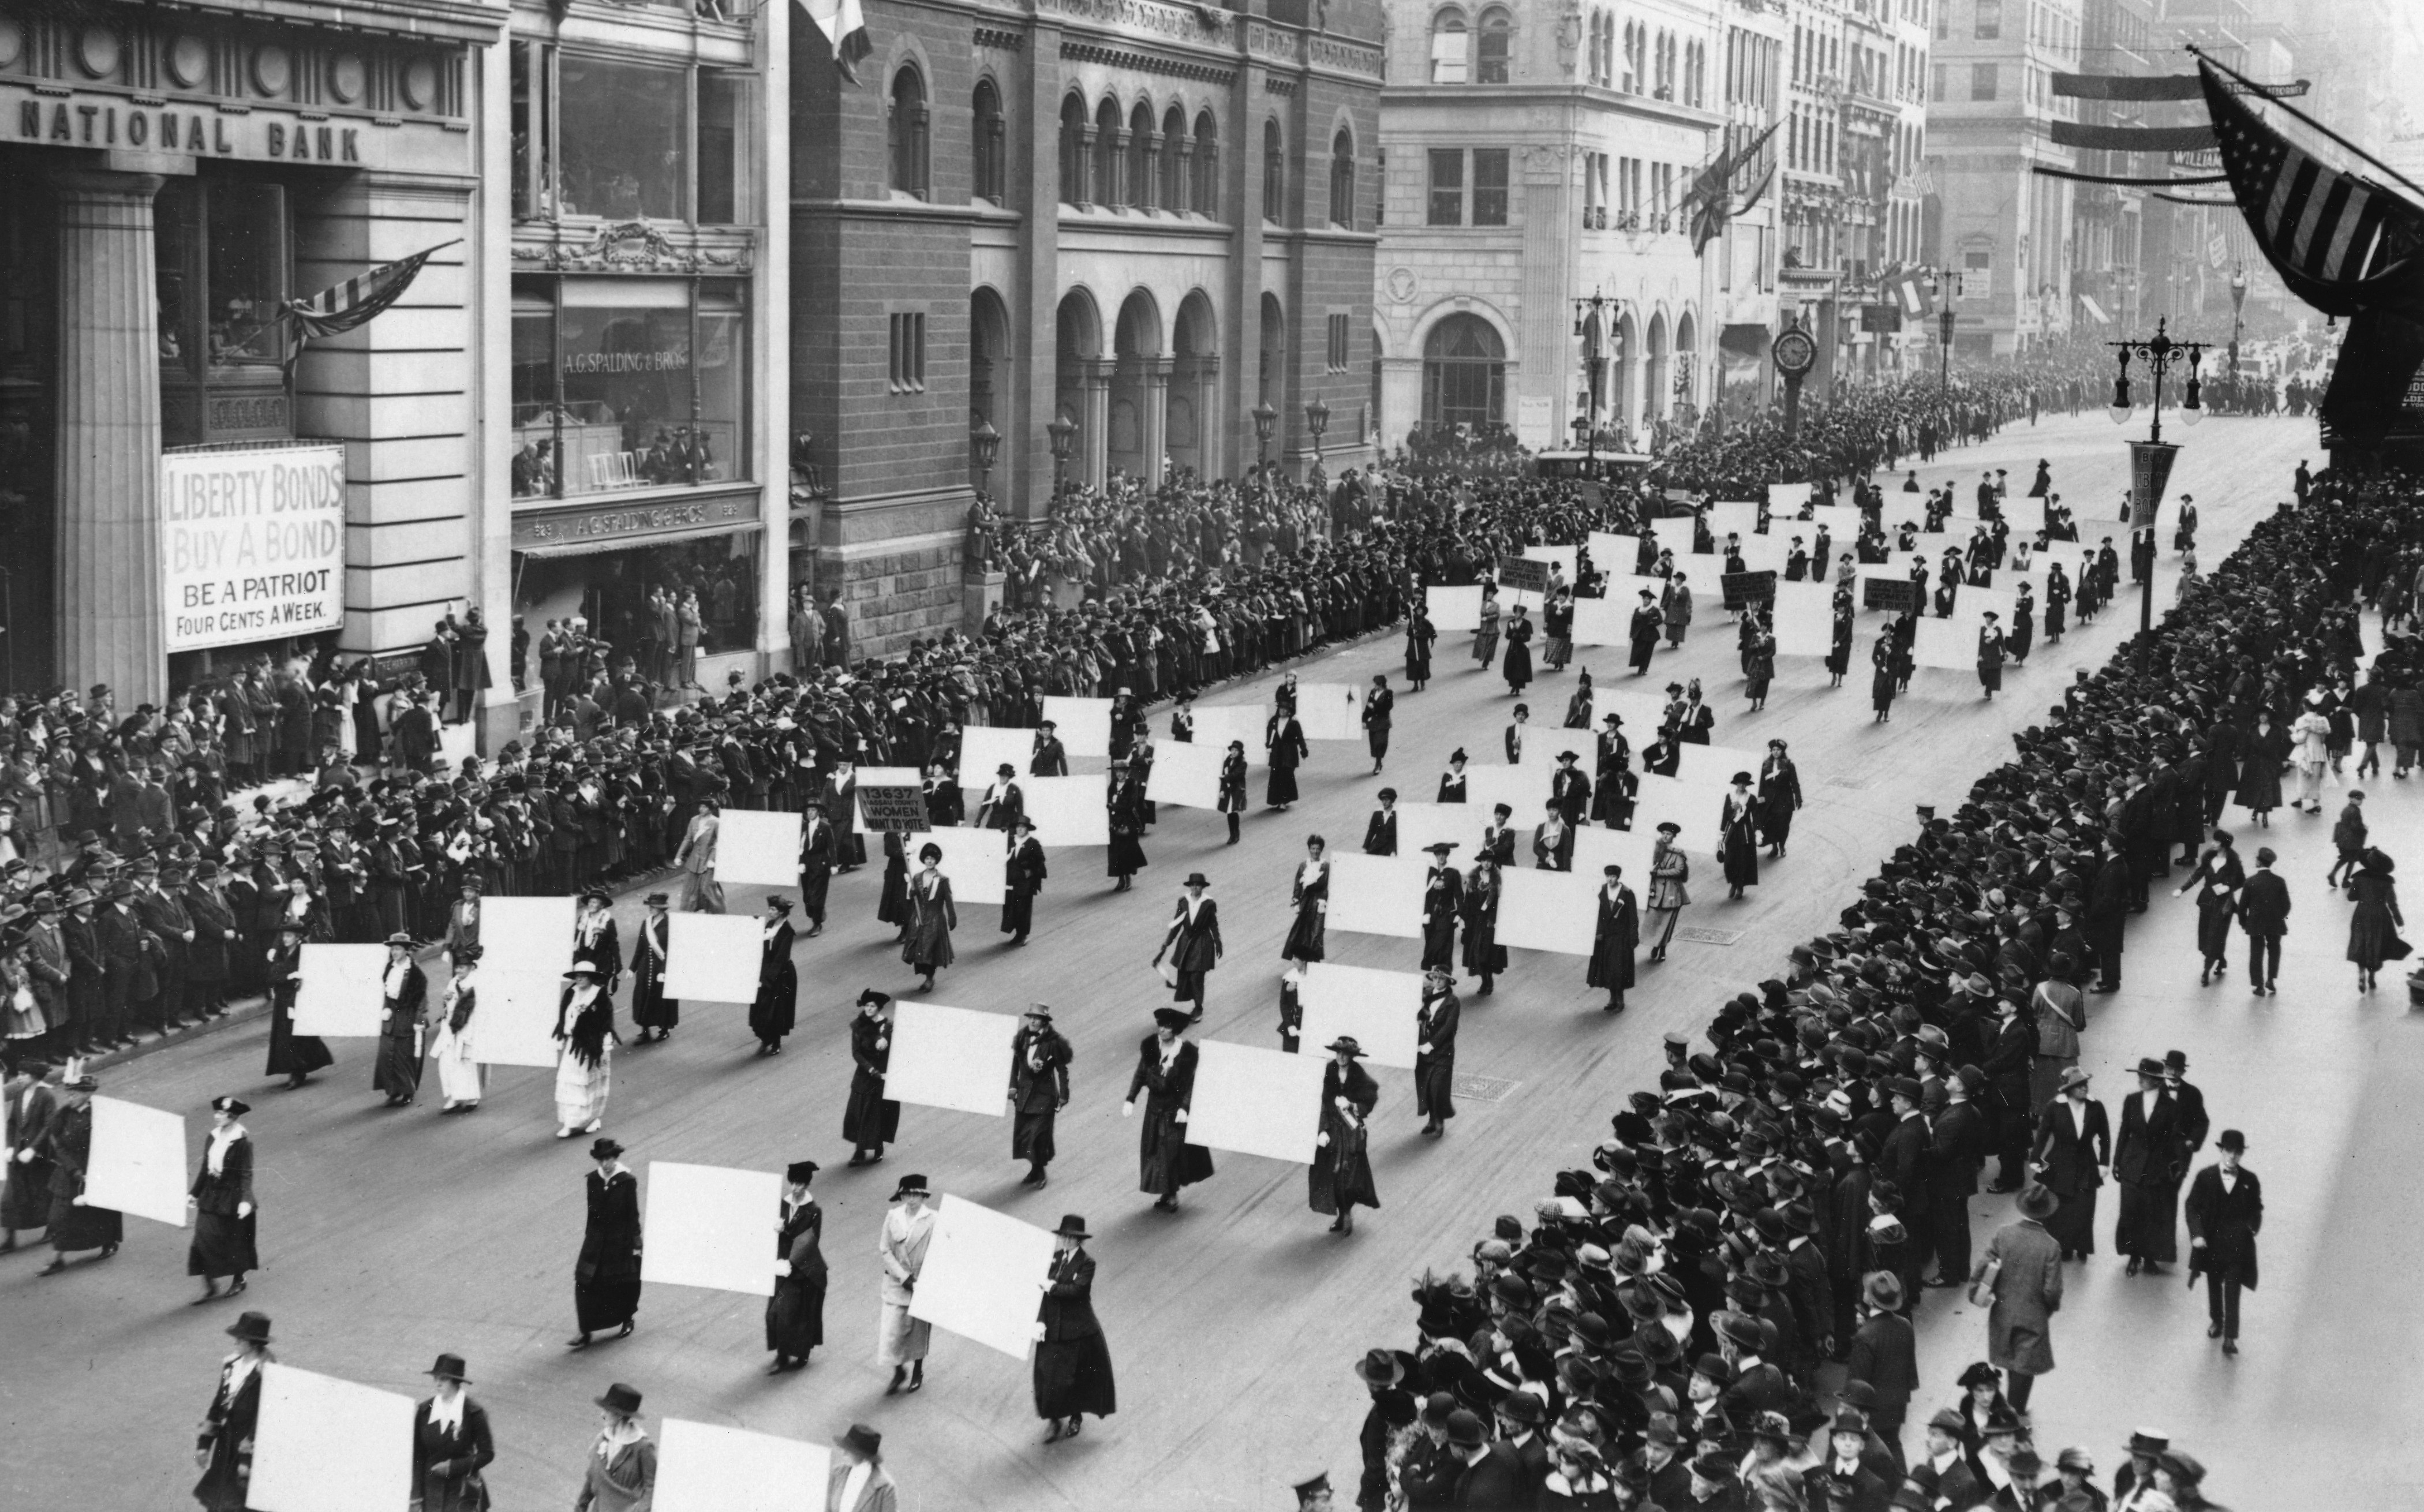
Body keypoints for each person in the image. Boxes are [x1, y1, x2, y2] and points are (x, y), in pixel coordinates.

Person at [1971, 1183, 2063, 1415]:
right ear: (2047, 1213)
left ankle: (2009, 1411)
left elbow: (1982, 1268)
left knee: (2011, 1362)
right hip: (2033, 1316)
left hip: (2003, 1311)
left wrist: (1977, 1293)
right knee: (2025, 1366)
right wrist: (2049, 1308)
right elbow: (2052, 1291)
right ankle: (2012, 1416)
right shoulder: (2051, 1246)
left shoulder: (2003, 1234)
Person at [1035, 1212, 1117, 1442]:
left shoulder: (1087, 1263)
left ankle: (1075, 1417)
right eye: (1064, 1236)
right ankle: (1053, 1420)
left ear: (1079, 1240)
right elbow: (1042, 1295)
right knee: (1049, 1376)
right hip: (1052, 1327)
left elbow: (1077, 1290)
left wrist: (1052, 1288)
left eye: (1072, 1237)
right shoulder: (1053, 1258)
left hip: (1076, 1328)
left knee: (1074, 1377)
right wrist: (1040, 1321)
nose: (1067, 1240)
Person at [1124, 1006, 1214, 1212]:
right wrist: (1130, 1099)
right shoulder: (1150, 1047)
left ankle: (1171, 1193)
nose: (1162, 1030)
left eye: (1166, 1027)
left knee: (1171, 1152)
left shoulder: (1187, 1053)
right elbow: (1140, 1074)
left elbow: (1192, 1082)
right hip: (1154, 1109)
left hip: (1174, 1110)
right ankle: (1167, 1190)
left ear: (1175, 1031)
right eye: (1161, 1026)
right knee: (1155, 1151)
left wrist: (1185, 1108)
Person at [2186, 1129, 2262, 1357]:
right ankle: (2217, 1320)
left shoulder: (2250, 1181)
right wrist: (2197, 1234)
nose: (2233, 1156)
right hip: (2211, 1244)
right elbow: (2192, 1207)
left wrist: (2252, 1227)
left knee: (2233, 1290)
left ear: (2242, 1155)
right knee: (2214, 1285)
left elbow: (2257, 1209)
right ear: (2221, 1150)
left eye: (2238, 1153)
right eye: (2229, 1151)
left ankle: (2230, 1337)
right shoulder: (2205, 1177)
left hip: (2238, 1246)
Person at [2113, 1057, 2189, 1277]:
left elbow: (2175, 1140)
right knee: (2130, 1213)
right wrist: (2117, 1161)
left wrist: (2177, 1166)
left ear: (2157, 1081)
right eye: (2140, 1076)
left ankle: (2149, 1258)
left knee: (2152, 1214)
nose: (2141, 1080)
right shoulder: (2132, 1100)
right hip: (2131, 1166)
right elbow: (2124, 1131)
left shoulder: (2170, 1106)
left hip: (2156, 1168)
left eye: (2146, 1077)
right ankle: (2133, 1256)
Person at [37, 1065, 116, 1273]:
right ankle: (57, 1258)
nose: (69, 1096)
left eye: (74, 1093)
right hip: (70, 1170)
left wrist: (98, 1170)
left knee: (101, 1212)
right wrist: (74, 1170)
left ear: (87, 1094)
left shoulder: (101, 1114)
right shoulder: (64, 1114)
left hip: (95, 1169)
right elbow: (57, 1144)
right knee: (59, 1215)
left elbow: (112, 1143)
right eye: (68, 1093)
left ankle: (109, 1242)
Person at [193, 1309, 273, 1512]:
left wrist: (246, 1459)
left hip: (247, 1449)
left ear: (253, 1343)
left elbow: (264, 1418)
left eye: (240, 1338)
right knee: (220, 1500)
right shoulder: (231, 1365)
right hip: (225, 1445)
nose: (235, 1342)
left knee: (242, 1503)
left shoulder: (266, 1374)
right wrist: (204, 1444)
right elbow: (218, 1405)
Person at [569, 1137, 642, 1350]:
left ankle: (627, 1319)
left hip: (620, 1241)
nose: (605, 1164)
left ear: (615, 1158)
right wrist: (590, 1239)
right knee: (585, 1282)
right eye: (601, 1160)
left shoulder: (627, 1181)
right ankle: (585, 1330)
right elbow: (592, 1213)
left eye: (608, 1159)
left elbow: (633, 1215)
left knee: (624, 1283)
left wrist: (636, 1243)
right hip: (597, 1241)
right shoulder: (593, 1180)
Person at [187, 1095, 258, 1303]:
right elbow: (205, 1168)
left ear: (233, 1116)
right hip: (211, 1195)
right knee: (202, 1240)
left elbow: (246, 1173)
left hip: (233, 1197)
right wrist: (194, 1193)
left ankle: (239, 1279)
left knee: (235, 1241)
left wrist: (246, 1200)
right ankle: (210, 1286)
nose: (217, 1116)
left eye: (222, 1114)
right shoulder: (213, 1136)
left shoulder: (242, 1141)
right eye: (217, 1112)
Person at [2033, 1066, 2109, 1260]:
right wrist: (2035, 1157)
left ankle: (2082, 1245)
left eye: (2086, 1084)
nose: (2085, 1088)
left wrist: (2104, 1163)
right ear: (2068, 1089)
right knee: (2062, 1207)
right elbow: (2042, 1135)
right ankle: (2064, 1246)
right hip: (2060, 1162)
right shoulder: (2054, 1107)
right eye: (2079, 1085)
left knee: (2084, 1206)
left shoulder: (2096, 1107)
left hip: (2087, 1163)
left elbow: (2105, 1137)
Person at [1310, 1035, 1380, 1234]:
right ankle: (1341, 1214)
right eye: (1338, 1053)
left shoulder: (1359, 1075)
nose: (1341, 1057)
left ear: (1351, 1056)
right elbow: (1320, 1102)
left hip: (1350, 1132)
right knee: (1331, 1173)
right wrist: (1322, 1130)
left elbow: (1369, 1099)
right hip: (1331, 1130)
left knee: (1348, 1174)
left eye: (1345, 1054)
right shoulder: (1328, 1071)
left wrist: (1353, 1106)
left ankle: (1347, 1212)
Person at [412, 1353, 497, 1512]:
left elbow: (487, 1453)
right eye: (436, 1378)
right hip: (431, 1493)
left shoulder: (473, 1413)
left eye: (443, 1379)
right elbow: (418, 1456)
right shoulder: (425, 1411)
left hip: (461, 1491)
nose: (437, 1383)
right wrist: (416, 1497)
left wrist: (454, 1467)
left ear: (456, 1381)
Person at [877, 1174, 937, 1394]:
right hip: (897, 1281)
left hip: (921, 1283)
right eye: (907, 1195)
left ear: (923, 1196)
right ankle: (898, 1371)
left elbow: (939, 1252)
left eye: (916, 1195)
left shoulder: (932, 1220)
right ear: (902, 1195)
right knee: (892, 1332)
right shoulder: (893, 1216)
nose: (911, 1199)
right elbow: (885, 1248)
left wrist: (925, 1280)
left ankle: (917, 1371)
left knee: (918, 1332)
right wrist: (903, 1277)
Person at [766, 1159, 826, 1372]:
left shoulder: (813, 1211)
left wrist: (789, 1259)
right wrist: (773, 1230)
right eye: (792, 1183)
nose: (795, 1188)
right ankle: (782, 1354)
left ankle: (800, 1353)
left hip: (804, 1270)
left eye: (799, 1184)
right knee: (776, 1313)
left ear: (807, 1185)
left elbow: (810, 1240)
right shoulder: (782, 1205)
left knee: (799, 1314)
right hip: (781, 1266)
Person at [1008, 1003, 1072, 1188]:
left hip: (1044, 1097)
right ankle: (1035, 1169)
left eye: (1037, 1019)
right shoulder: (1021, 1038)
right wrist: (1013, 1087)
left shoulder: (1053, 1042)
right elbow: (1014, 1064)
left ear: (1044, 1022)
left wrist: (1064, 1096)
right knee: (1025, 1136)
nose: (1033, 1021)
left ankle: (1041, 1172)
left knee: (1038, 1136)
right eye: (1031, 1018)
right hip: (1024, 1096)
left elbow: (1062, 1070)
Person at [261, 923, 331, 1091]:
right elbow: (272, 976)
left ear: (298, 937)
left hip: (299, 998)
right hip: (283, 999)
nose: (285, 939)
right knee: (285, 1035)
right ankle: (297, 1068)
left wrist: (300, 978)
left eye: (289, 936)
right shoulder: (282, 952)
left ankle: (298, 1072)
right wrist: (289, 976)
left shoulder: (305, 951)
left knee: (295, 1034)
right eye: (284, 936)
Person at [552, 964, 618, 1138]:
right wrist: (562, 1036)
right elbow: (563, 1016)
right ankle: (571, 1122)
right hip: (574, 1045)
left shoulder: (599, 995)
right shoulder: (571, 993)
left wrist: (604, 1048)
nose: (579, 979)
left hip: (592, 1047)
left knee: (592, 1083)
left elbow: (605, 1023)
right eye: (577, 976)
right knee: (570, 1081)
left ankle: (594, 1119)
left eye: (583, 976)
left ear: (591, 977)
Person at [2174, 832, 2245, 985]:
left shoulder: (2234, 861)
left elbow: (2241, 880)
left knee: (2214, 935)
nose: (2213, 843)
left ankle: (2206, 971)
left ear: (2224, 845)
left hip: (2223, 904)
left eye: (2217, 842)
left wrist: (2228, 888)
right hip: (2207, 901)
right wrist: (2182, 889)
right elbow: (2198, 874)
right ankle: (2221, 960)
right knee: (2207, 936)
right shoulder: (2209, 857)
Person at [573, 1382, 655, 1512]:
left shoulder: (643, 1447)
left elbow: (653, 1486)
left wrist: (639, 1511)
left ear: (620, 1414)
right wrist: (580, 1507)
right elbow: (592, 1477)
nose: (602, 1415)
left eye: (607, 1410)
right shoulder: (603, 1439)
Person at [1154, 872, 1223, 1020]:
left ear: (1202, 887)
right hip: (1186, 943)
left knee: (1196, 978)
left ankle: (1198, 1008)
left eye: (1198, 885)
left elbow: (1213, 925)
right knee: (1185, 977)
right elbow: (1177, 924)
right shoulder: (1183, 902)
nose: (1195, 888)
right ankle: (1195, 1003)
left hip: (1202, 943)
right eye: (1192, 885)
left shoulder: (1208, 903)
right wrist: (1168, 941)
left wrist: (1218, 943)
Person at [845, 990, 901, 1167]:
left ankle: (878, 1148)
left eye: (872, 1006)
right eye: (867, 1005)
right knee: (861, 1112)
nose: (868, 1009)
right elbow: (856, 1053)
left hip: (885, 1074)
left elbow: (899, 1048)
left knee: (880, 1112)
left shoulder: (889, 1026)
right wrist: (871, 1070)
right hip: (866, 1075)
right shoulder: (858, 1026)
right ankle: (859, 1151)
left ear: (879, 1008)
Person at [372, 932, 427, 1107]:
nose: (394, 952)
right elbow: (387, 992)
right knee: (387, 1053)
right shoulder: (390, 968)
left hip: (408, 1015)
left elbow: (422, 1000)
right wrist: (386, 1008)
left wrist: (420, 1021)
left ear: (406, 950)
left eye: (398, 949)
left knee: (405, 1055)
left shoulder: (416, 973)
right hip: (391, 1015)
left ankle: (408, 1091)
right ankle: (393, 1088)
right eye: (393, 949)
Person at [431, 944, 484, 1114]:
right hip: (450, 1028)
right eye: (457, 968)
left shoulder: (475, 983)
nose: (458, 971)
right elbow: (449, 1000)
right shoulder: (454, 981)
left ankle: (472, 1097)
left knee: (465, 1061)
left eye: (462, 967)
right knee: (447, 1061)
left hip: (467, 1027)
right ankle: (454, 1096)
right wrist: (446, 998)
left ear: (471, 968)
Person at [2344, 846, 2405, 992]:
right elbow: (2392, 903)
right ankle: (2372, 976)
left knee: (2360, 943)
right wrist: (2399, 921)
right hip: (2380, 915)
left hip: (2362, 913)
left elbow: (2351, 897)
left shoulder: (2358, 877)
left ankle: (2361, 975)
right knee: (2376, 944)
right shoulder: (2387, 881)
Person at [747, 896, 800, 1054]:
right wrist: (754, 924)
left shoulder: (787, 931)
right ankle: (765, 1038)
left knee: (776, 1010)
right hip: (765, 971)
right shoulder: (769, 925)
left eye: (773, 909)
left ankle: (776, 1042)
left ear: (782, 912)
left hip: (780, 975)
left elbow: (781, 958)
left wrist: (768, 978)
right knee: (759, 1008)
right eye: (770, 909)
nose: (770, 912)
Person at [1411, 965, 1459, 1137]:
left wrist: (1431, 1045)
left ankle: (1439, 1120)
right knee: (1425, 1087)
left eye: (1441, 979)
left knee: (1436, 1087)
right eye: (1436, 978)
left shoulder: (1453, 1001)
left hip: (1442, 1053)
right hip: (1422, 1050)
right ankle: (1431, 1120)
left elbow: (1448, 1027)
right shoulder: (1427, 995)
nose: (1438, 982)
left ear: (1448, 981)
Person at [902, 843, 957, 993]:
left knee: (930, 950)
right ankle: (926, 975)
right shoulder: (917, 877)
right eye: (927, 858)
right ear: (923, 860)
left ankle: (929, 978)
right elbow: (911, 898)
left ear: (936, 860)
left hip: (935, 920)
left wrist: (952, 918)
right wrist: (911, 891)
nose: (930, 861)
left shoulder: (942, 880)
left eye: (932, 859)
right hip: (919, 919)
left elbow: (949, 900)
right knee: (918, 949)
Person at [1587, 864, 1639, 1013]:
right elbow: (1597, 914)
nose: (1610, 879)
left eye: (1613, 877)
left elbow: (1633, 918)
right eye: (1608, 876)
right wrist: (1598, 932)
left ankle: (1620, 998)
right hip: (1605, 936)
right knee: (1607, 969)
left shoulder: (1627, 893)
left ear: (1618, 877)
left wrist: (1633, 938)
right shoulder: (1603, 891)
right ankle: (1612, 998)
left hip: (1621, 938)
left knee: (1619, 969)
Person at [2238, 847, 2289, 994]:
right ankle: (2271, 980)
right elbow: (2287, 905)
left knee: (2256, 953)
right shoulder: (2279, 881)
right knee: (2274, 950)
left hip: (2255, 923)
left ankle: (2259, 985)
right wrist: (2278, 917)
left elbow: (2242, 907)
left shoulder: (2250, 882)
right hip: (2275, 924)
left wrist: (2244, 923)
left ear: (2259, 862)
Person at [627, 893, 675, 1044]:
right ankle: (645, 1031)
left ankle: (665, 1029)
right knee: (643, 998)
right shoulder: (646, 923)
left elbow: (672, 951)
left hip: (660, 967)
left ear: (662, 908)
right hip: (645, 967)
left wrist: (664, 971)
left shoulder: (670, 925)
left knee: (661, 1000)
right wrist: (632, 968)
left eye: (654, 907)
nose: (651, 909)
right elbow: (640, 948)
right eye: (650, 907)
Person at [1460, 851, 1506, 996]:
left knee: (1487, 953)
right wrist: (1467, 920)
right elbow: (1468, 901)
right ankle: (1484, 980)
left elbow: (1499, 902)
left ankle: (1489, 979)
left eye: (1489, 861)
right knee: (1476, 953)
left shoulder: (1497, 879)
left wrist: (1493, 920)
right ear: (1480, 862)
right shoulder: (1473, 878)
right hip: (1476, 921)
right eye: (1484, 860)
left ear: (1492, 863)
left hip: (1489, 921)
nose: (1486, 863)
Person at [829, 1424, 899, 1512]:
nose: (844, 1454)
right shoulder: (837, 1473)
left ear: (863, 1455)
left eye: (850, 1450)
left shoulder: (885, 1488)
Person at [1285, 835, 1331, 965]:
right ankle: (1303, 960)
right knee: (1302, 932)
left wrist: (1324, 901)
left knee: (1317, 932)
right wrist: (1296, 900)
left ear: (1321, 850)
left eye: (1318, 849)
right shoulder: (1303, 865)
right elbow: (1298, 884)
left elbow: (1328, 885)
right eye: (1313, 848)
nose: (1316, 851)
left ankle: (1315, 961)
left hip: (1320, 903)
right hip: (1306, 902)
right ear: (1309, 849)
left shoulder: (1326, 866)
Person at [674, 794, 724, 912]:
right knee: (690, 888)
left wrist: (713, 859)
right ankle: (689, 911)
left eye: (705, 807)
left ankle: (717, 911)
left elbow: (720, 843)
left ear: (711, 809)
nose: (701, 809)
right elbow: (688, 839)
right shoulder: (694, 820)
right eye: (700, 807)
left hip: (709, 859)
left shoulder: (716, 822)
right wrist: (679, 856)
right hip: (694, 860)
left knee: (707, 888)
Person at [1647, 822, 1689, 961]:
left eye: (1669, 834)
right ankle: (1655, 945)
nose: (1665, 836)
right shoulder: (1656, 849)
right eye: (1663, 833)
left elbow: (1678, 870)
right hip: (1656, 891)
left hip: (1672, 892)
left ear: (1674, 836)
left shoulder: (1678, 853)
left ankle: (1663, 949)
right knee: (1654, 920)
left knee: (1667, 923)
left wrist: (1659, 872)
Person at [1003, 816, 1047, 946]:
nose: (1020, 829)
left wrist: (1029, 867)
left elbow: (1041, 860)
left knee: (1023, 909)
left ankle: (1024, 935)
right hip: (1013, 880)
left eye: (1023, 827)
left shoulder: (1033, 843)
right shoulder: (1012, 841)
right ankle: (1018, 934)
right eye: (1018, 827)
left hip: (1026, 882)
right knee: (1013, 908)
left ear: (1028, 829)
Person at [1419, 844, 1462, 972]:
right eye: (1439, 854)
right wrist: (1425, 913)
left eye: (1444, 854)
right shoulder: (1429, 872)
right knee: (1430, 943)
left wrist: (1459, 914)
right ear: (1435, 856)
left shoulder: (1453, 873)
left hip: (1447, 915)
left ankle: (1444, 976)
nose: (1441, 856)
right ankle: (1434, 979)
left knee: (1444, 946)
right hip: (1431, 917)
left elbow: (1459, 895)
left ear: (1447, 855)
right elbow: (1422, 894)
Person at [1719, 772, 1760, 900]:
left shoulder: (1751, 799)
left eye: (1744, 784)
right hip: (1731, 833)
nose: (1741, 786)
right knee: (1729, 862)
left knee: (1743, 861)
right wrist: (1721, 833)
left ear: (1747, 785)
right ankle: (1733, 883)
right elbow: (1725, 816)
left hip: (1745, 833)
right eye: (1739, 783)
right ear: (1736, 784)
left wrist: (1758, 832)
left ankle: (1740, 886)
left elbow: (1756, 817)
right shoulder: (1729, 797)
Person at [1268, 702, 1308, 811]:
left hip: (1289, 753)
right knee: (1276, 775)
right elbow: (1269, 734)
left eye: (1285, 709)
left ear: (1289, 711)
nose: (1283, 711)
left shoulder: (1294, 723)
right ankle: (1276, 800)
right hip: (1277, 752)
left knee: (1285, 776)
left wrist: (1304, 750)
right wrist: (1268, 745)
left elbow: (1300, 737)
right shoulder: (1274, 721)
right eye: (1281, 708)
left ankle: (1283, 801)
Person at [2326, 789, 2367, 886]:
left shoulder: (2346, 809)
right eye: (2358, 799)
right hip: (2352, 841)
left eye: (2361, 799)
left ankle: (2334, 874)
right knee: (2352, 860)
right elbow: (2355, 827)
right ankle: (2344, 880)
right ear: (2351, 799)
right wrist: (2364, 829)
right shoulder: (2355, 811)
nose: (2360, 801)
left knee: (2344, 858)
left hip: (2343, 839)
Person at [1218, 740, 1249, 845]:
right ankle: (1232, 835)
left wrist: (1226, 777)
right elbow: (1223, 775)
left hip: (1236, 790)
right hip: (1228, 790)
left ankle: (1236, 834)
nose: (1234, 752)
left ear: (1240, 752)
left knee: (1234, 812)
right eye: (1232, 750)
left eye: (1236, 750)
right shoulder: (1227, 761)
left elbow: (1237, 775)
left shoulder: (1243, 763)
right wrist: (1222, 790)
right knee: (1229, 813)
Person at [1628, 588, 1662, 675]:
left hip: (1650, 635)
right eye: (1645, 599)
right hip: (1639, 635)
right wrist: (1632, 634)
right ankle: (1640, 666)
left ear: (1651, 601)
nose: (1646, 601)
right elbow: (1634, 622)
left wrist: (1652, 623)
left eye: (1648, 599)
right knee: (1639, 652)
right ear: (1642, 599)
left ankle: (1644, 668)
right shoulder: (1637, 609)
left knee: (1647, 653)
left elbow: (1660, 620)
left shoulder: (1654, 610)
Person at [1364, 673, 1394, 774]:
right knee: (1374, 743)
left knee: (1379, 743)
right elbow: (1368, 706)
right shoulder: (1373, 692)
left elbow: (1388, 707)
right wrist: (1364, 719)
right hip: (1373, 723)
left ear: (1381, 684)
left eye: (1377, 684)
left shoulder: (1389, 693)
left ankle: (1378, 764)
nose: (1375, 686)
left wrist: (1375, 707)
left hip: (1383, 722)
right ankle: (1378, 762)